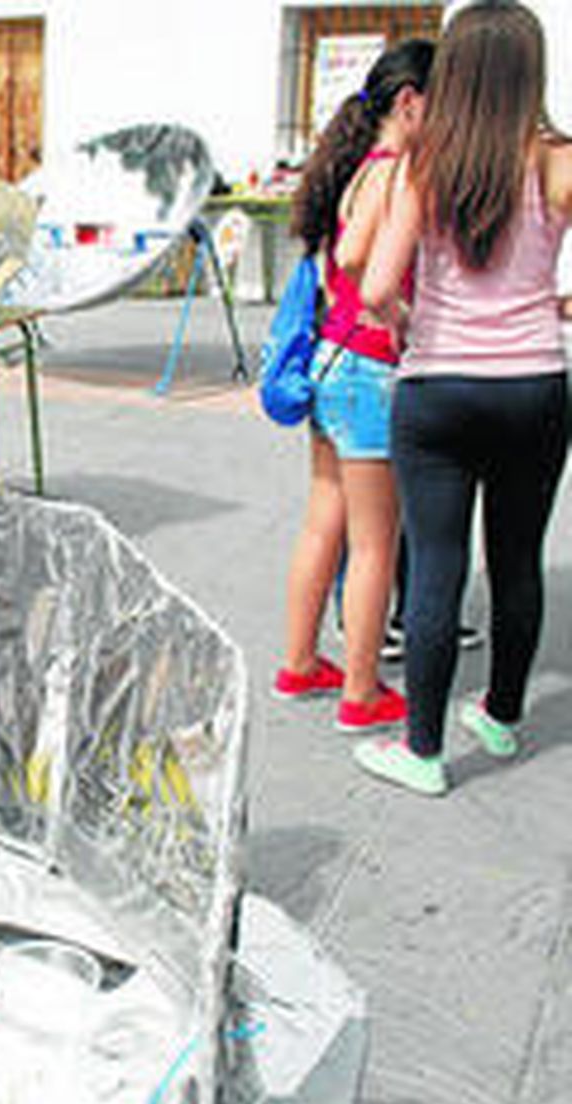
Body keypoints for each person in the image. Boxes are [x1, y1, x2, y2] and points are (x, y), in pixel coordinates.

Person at [356, 0, 572, 795]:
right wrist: (557, 305)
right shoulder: (560, 162)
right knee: (517, 560)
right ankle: (502, 716)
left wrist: (408, 322)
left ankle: (423, 752)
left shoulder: (426, 164)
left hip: (438, 388)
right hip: (534, 387)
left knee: (437, 568)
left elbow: (375, 286)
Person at [273, 39, 433, 734]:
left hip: (330, 365)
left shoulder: (360, 167)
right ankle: (361, 693)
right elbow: (357, 256)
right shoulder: (399, 172)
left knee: (323, 524)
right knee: (375, 544)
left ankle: (299, 663)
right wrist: (400, 315)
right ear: (410, 102)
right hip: (369, 371)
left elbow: (340, 254)